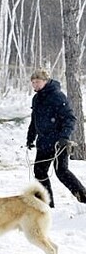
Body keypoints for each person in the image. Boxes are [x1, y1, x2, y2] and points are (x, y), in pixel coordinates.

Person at [26, 68, 86, 208]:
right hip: (44, 142)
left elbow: (70, 118)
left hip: (59, 142)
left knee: (61, 171)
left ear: (45, 81)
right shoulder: (37, 98)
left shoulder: (57, 96)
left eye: (37, 82)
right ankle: (47, 204)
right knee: (39, 171)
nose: (35, 85)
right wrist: (30, 137)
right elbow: (34, 120)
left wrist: (64, 137)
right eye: (33, 82)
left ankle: (83, 197)